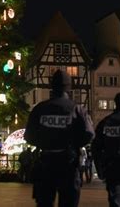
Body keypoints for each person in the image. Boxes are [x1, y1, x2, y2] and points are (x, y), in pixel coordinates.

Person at [24, 70, 94, 207]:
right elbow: (89, 133)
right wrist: (75, 144)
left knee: (44, 202)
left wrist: (44, 142)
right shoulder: (76, 109)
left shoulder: (40, 109)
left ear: (52, 86)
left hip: (45, 162)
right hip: (68, 162)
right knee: (68, 201)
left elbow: (29, 136)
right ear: (69, 87)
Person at [92, 92, 120, 207]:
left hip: (111, 165)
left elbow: (96, 147)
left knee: (115, 197)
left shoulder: (105, 122)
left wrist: (100, 169)